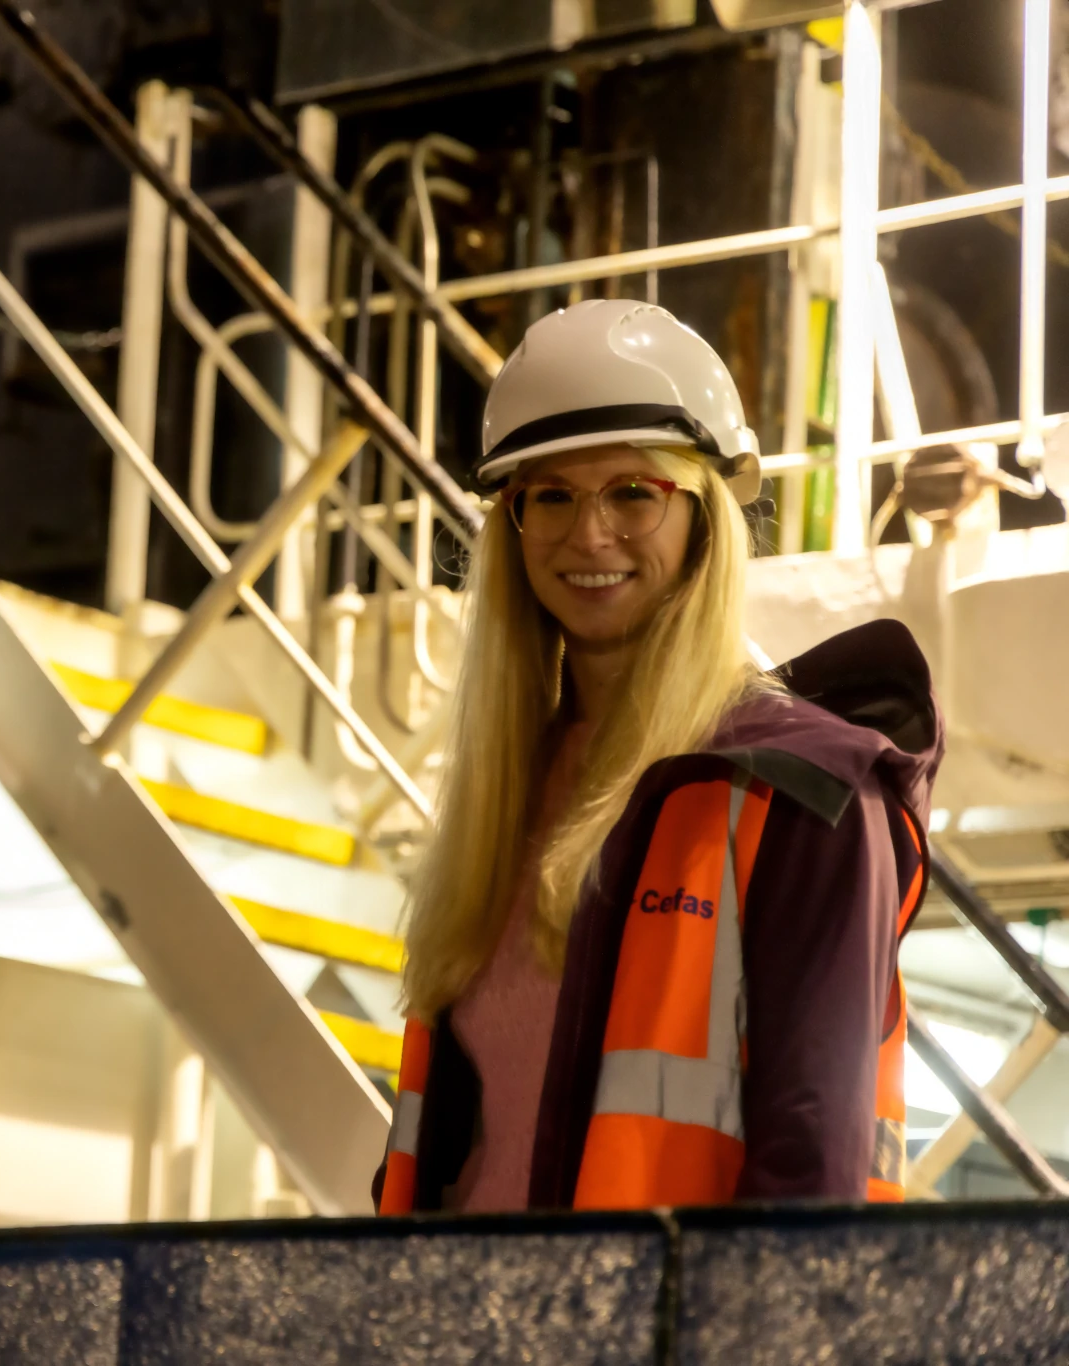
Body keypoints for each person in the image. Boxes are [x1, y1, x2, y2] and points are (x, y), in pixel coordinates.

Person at [376, 300, 940, 1214]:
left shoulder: (804, 793)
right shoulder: (507, 794)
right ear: (511, 526)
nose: (588, 535)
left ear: (705, 519)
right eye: (549, 495)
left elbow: (812, 1174)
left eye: (635, 492)